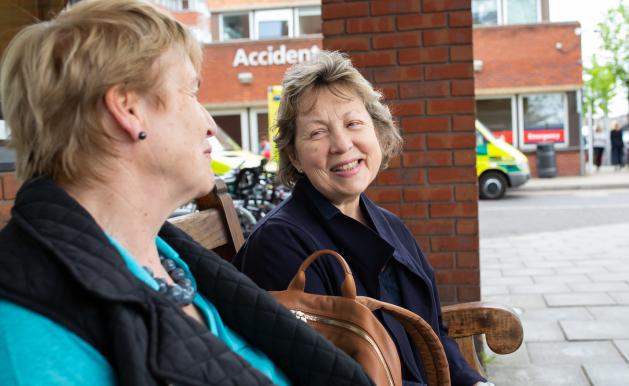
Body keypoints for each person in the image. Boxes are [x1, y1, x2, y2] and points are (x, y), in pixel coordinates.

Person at [0, 2, 372, 385]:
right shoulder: (26, 331)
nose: (209, 124)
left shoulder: (172, 260)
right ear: (129, 110)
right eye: (191, 93)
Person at [233, 51, 489, 386]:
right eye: (317, 133)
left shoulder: (391, 226)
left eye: (353, 124)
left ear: (378, 133)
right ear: (294, 155)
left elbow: (434, 333)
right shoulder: (281, 247)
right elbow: (328, 377)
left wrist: (476, 383)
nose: (342, 144)